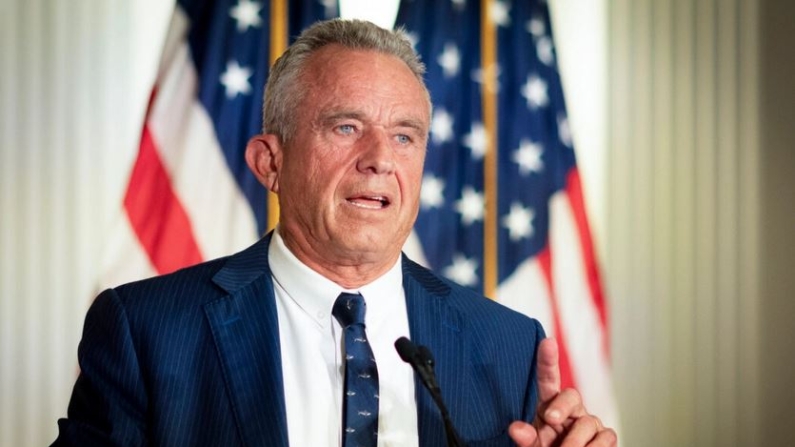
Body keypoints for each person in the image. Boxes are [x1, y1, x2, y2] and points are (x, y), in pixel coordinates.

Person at [52, 19, 616, 447]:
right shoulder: (146, 331)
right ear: (269, 162)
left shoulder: (508, 345)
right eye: (346, 127)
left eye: (404, 136)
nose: (379, 160)